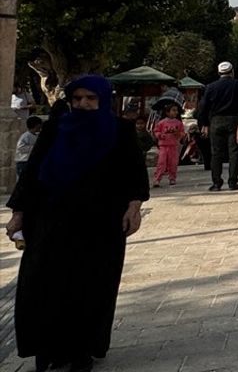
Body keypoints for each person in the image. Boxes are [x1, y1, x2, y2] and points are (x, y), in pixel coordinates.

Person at [5, 75, 149, 371]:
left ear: (102, 100)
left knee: (91, 285)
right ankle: (47, 348)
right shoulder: (56, 129)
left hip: (100, 223)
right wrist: (18, 212)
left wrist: (133, 207)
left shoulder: (119, 131)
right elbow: (33, 173)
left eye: (90, 98)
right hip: (50, 220)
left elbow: (134, 173)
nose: (83, 104)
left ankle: (82, 350)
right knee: (44, 283)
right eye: (77, 99)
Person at [195, 62, 238, 192]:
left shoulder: (211, 87)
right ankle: (232, 182)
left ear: (219, 73)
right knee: (234, 151)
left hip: (216, 121)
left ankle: (216, 183)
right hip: (234, 120)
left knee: (216, 153)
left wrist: (204, 124)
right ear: (232, 71)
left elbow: (203, 107)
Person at [151, 101, 186, 187]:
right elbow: (156, 131)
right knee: (161, 163)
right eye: (173, 110)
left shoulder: (178, 123)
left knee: (173, 163)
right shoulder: (162, 122)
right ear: (167, 112)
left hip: (174, 146)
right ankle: (157, 179)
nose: (175, 112)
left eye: (176, 111)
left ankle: (172, 178)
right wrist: (160, 135)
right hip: (163, 146)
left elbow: (182, 133)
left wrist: (176, 133)